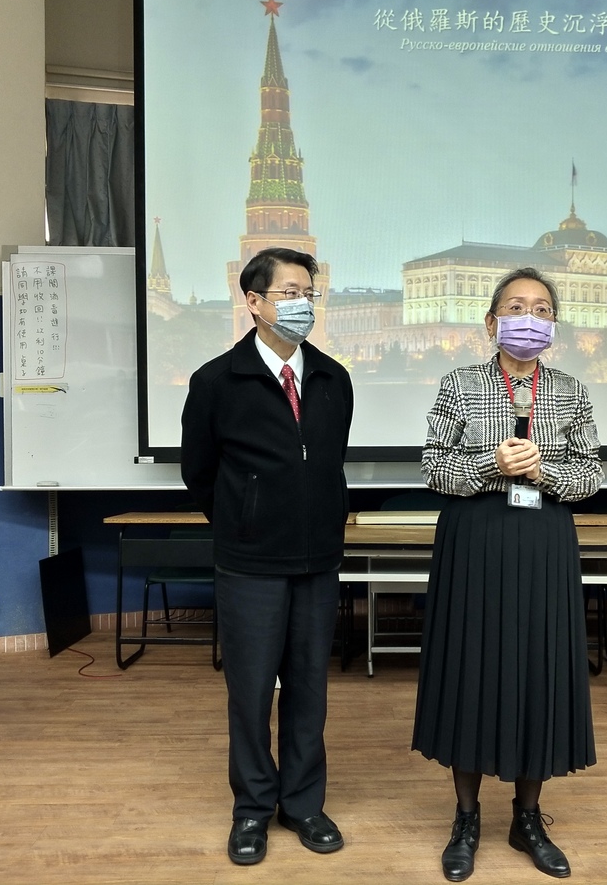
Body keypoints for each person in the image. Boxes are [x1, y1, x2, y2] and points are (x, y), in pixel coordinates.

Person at [412, 267, 604, 881]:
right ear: (492, 322)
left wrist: (543, 473)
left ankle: (528, 817)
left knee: (537, 669)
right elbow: (434, 469)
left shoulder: (571, 391)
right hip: (475, 540)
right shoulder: (460, 385)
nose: (531, 316)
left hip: (543, 543)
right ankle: (465, 817)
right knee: (471, 667)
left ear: (554, 324)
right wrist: (492, 465)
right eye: (517, 306)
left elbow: (591, 478)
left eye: (542, 308)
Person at [180, 246, 353, 866]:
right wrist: (242, 519)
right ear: (253, 302)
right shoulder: (216, 381)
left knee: (309, 687)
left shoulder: (334, 378)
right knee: (251, 690)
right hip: (249, 563)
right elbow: (198, 473)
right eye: (287, 292)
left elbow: (329, 463)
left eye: (309, 292)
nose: (301, 302)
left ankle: (303, 803)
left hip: (317, 561)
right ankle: (252, 807)